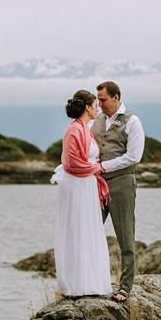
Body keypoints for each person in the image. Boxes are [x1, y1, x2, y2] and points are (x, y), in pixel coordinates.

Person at [50, 89, 112, 298]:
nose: (98, 108)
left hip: (86, 185)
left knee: (88, 230)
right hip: (77, 186)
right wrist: (95, 169)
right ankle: (77, 283)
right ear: (87, 107)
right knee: (77, 230)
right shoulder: (74, 130)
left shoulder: (85, 129)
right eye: (95, 105)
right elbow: (70, 162)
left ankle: (91, 280)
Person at [93, 80, 144, 303]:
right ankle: (93, 281)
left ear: (116, 97)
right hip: (96, 184)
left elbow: (134, 156)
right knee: (90, 230)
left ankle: (124, 287)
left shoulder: (132, 122)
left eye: (103, 99)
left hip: (122, 182)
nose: (100, 103)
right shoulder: (96, 120)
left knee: (125, 235)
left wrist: (104, 167)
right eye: (98, 100)